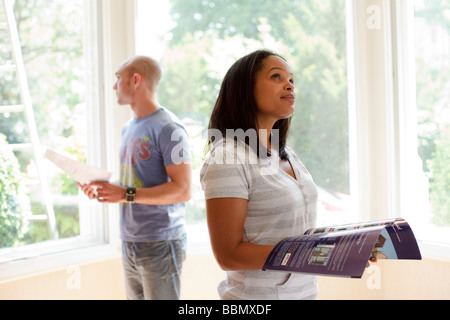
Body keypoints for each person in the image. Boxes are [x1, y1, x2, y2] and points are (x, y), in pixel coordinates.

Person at [200, 49, 318, 300]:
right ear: (245, 89)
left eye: (291, 80)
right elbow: (228, 255)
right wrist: (310, 254)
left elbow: (297, 229)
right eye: (276, 76)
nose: (289, 85)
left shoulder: (286, 153)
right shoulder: (228, 158)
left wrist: (346, 248)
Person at [78, 55, 192, 300]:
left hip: (161, 243)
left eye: (119, 78)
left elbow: (183, 190)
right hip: (130, 241)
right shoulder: (129, 127)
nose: (114, 85)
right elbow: (137, 184)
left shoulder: (170, 128)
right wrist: (106, 188)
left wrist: (126, 194)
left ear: (136, 80)